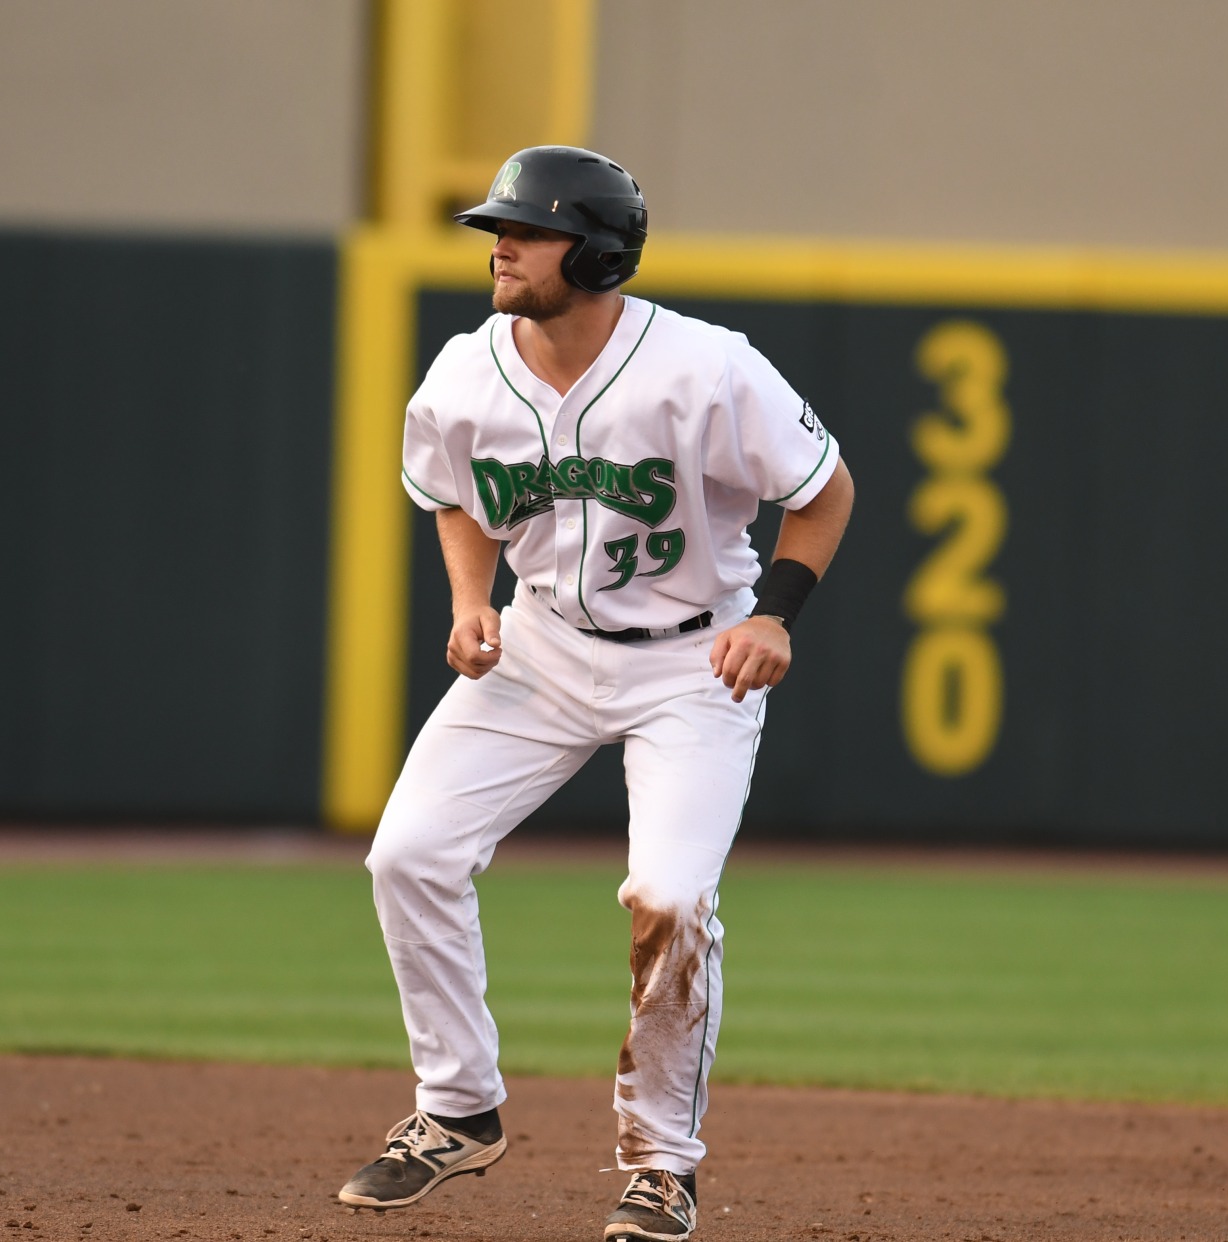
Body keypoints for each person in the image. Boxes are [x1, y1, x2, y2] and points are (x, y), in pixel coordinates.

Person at [337, 145, 855, 1242]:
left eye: (528, 231)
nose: (501, 247)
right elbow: (454, 493)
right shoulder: (465, 373)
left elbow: (824, 491)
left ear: (599, 253)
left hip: (693, 661)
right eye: (497, 230)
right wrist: (469, 600)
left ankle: (662, 1167)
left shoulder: (708, 369)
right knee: (408, 855)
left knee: (669, 897)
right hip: (541, 645)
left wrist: (774, 616)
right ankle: (456, 1109)